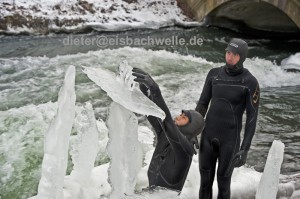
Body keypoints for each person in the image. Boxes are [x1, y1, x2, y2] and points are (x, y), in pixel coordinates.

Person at [195, 38, 260, 199]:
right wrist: (191, 131)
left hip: (230, 140)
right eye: (228, 52)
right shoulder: (213, 75)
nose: (230, 57)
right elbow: (202, 105)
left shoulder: (250, 82)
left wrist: (244, 149)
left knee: (223, 184)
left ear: (242, 57)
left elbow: (252, 118)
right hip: (208, 136)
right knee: (204, 183)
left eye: (235, 54)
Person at [132, 68, 205, 192]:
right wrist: (144, 88)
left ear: (191, 127)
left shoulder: (185, 151)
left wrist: (155, 89)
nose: (178, 117)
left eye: (184, 118)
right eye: (181, 114)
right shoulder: (164, 136)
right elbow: (150, 112)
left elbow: (168, 124)